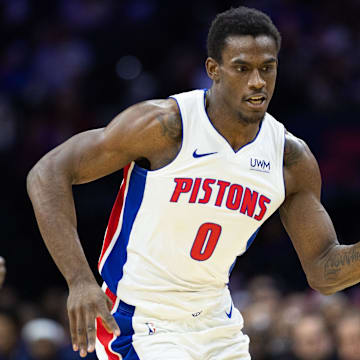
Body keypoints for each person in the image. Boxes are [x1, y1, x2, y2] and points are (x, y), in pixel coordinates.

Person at [26, 6, 360, 360]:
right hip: (140, 320)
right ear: (213, 70)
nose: (258, 81)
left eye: (267, 68)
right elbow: (47, 173)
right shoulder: (164, 126)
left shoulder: (289, 158)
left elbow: (324, 270)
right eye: (242, 68)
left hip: (217, 323)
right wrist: (78, 279)